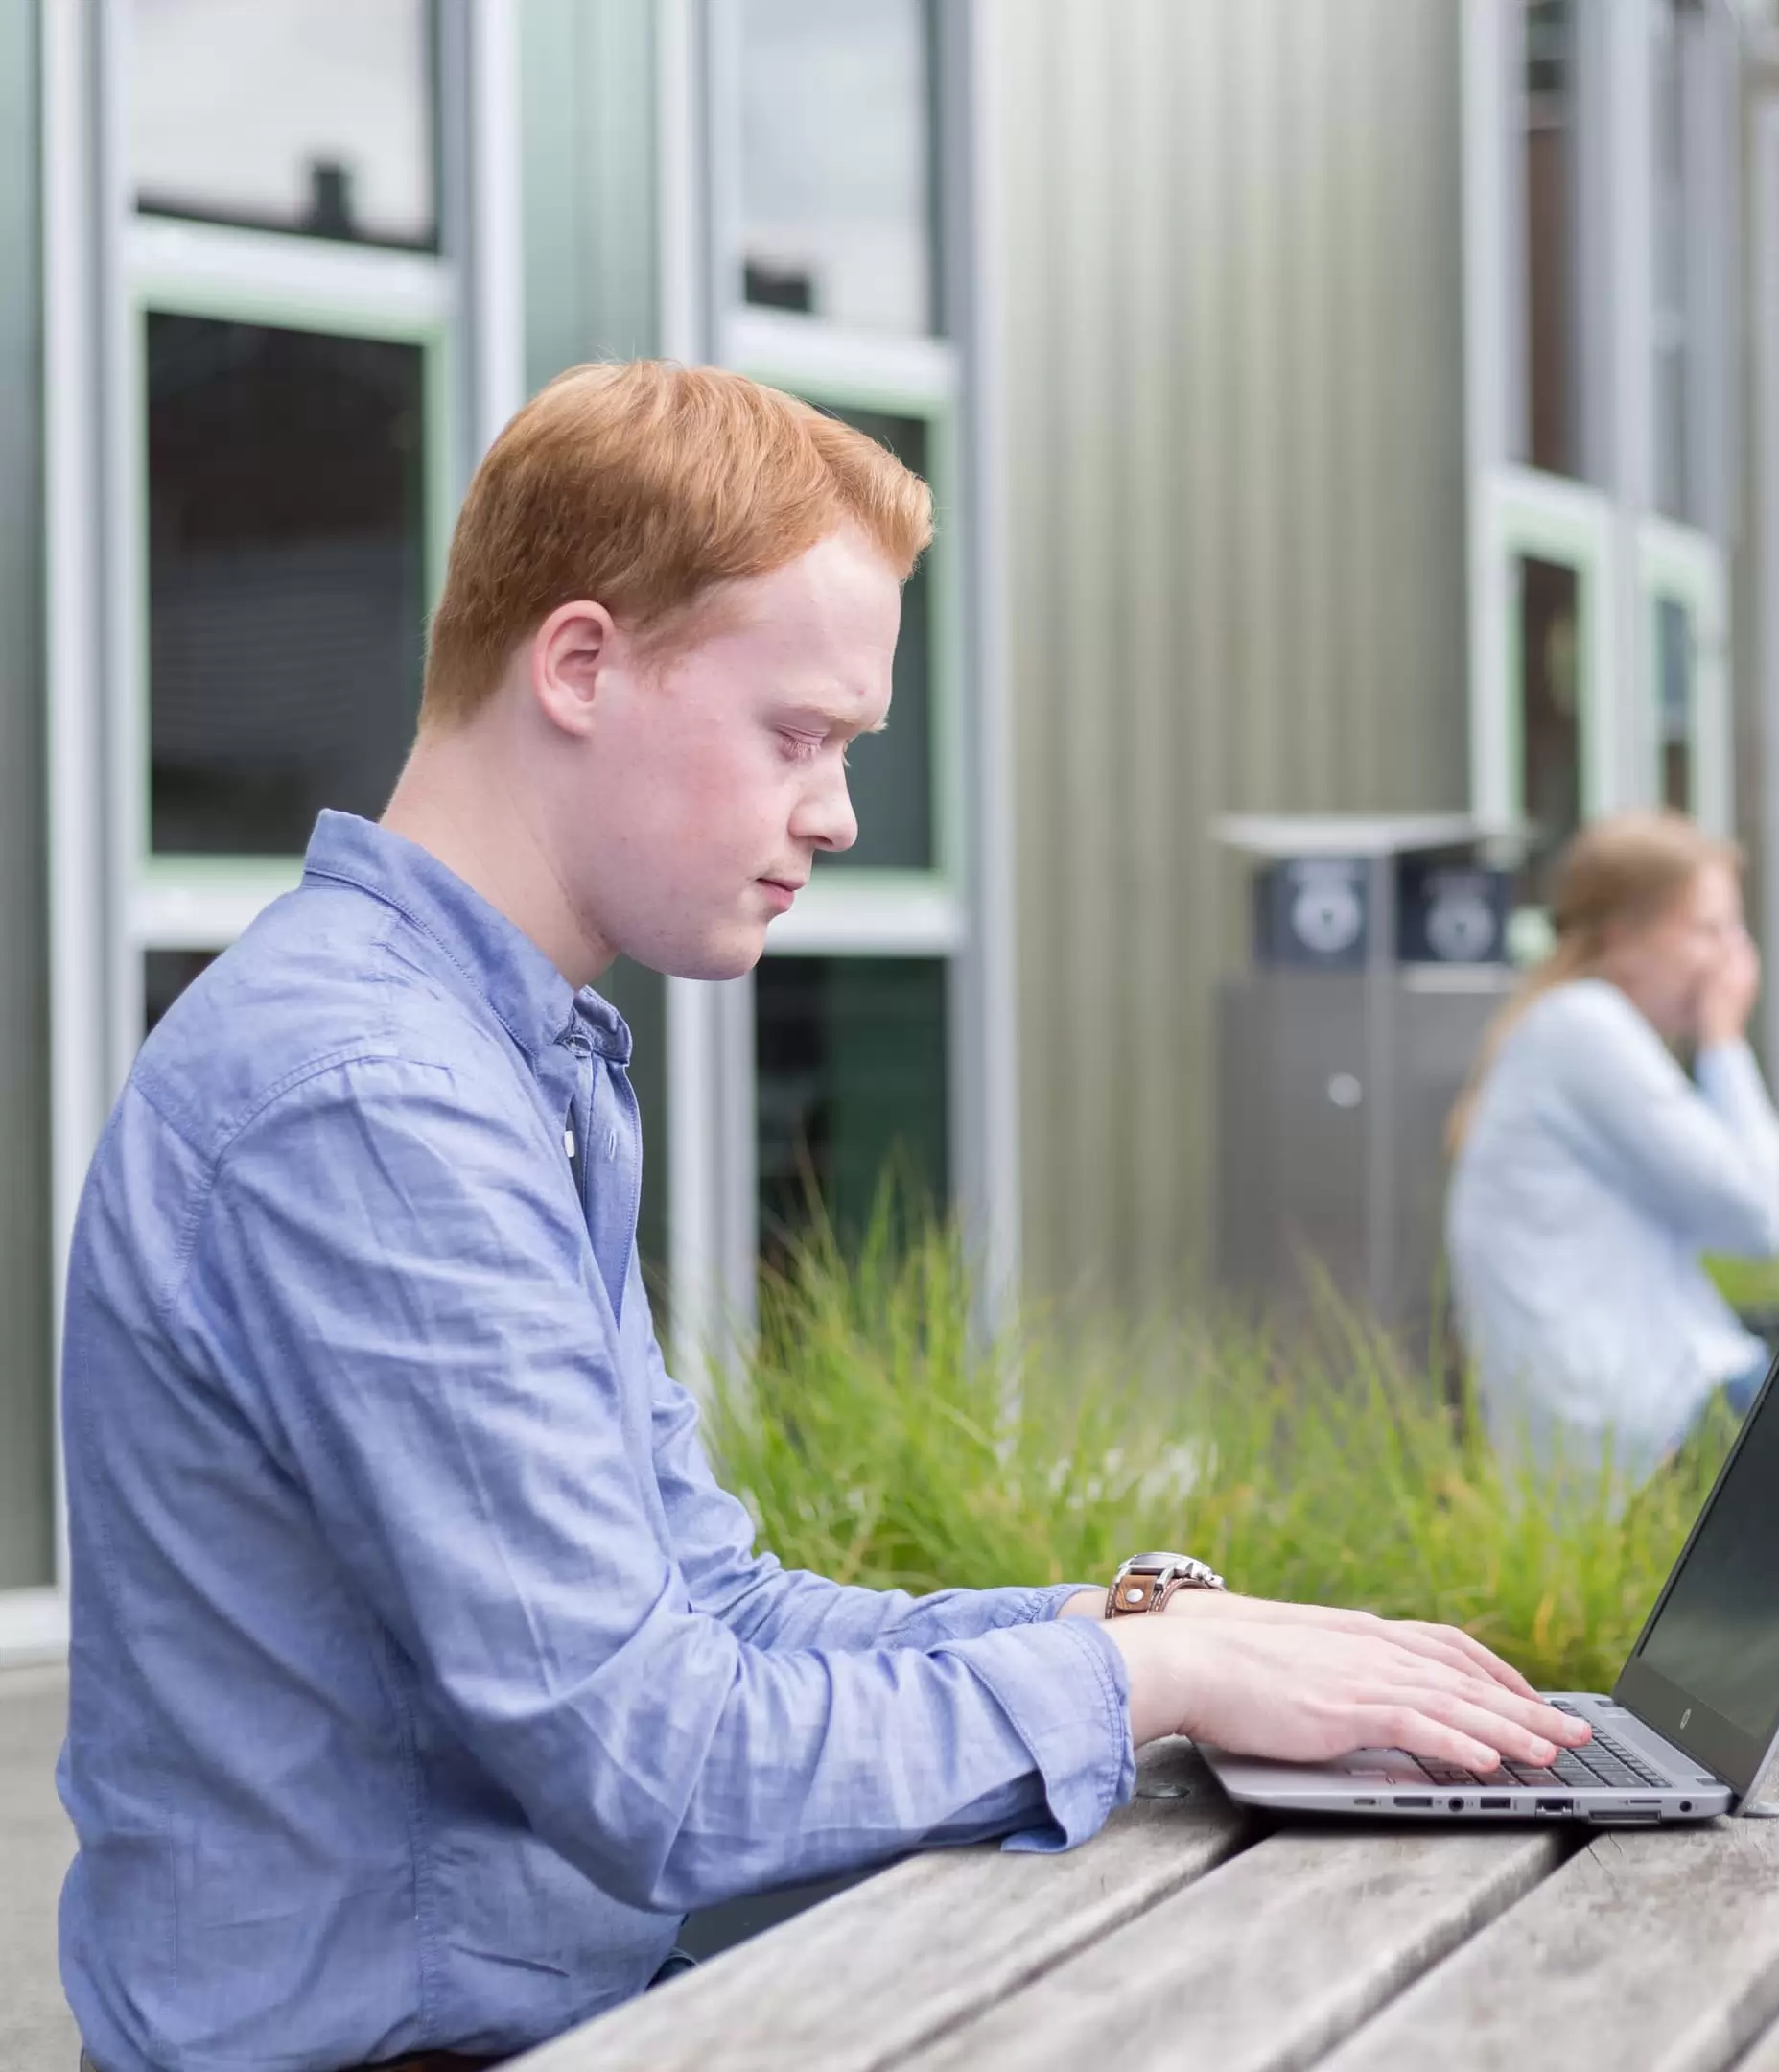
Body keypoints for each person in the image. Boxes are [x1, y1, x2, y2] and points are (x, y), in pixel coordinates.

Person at [55, 362, 1588, 2072]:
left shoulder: (498, 1061)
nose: (839, 813)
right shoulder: (370, 1101)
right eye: (796, 735)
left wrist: (1141, 1627)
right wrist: (1152, 1686)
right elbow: (661, 1766)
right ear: (579, 665)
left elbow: (715, 1614)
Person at [1445, 811, 1779, 1495]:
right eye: (1709, 930)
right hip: (1641, 1432)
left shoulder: (1564, 1031)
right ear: (1623, 940)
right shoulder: (1585, 1028)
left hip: (1641, 1412)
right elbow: (1762, 1218)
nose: (1733, 959)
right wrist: (1724, 1039)